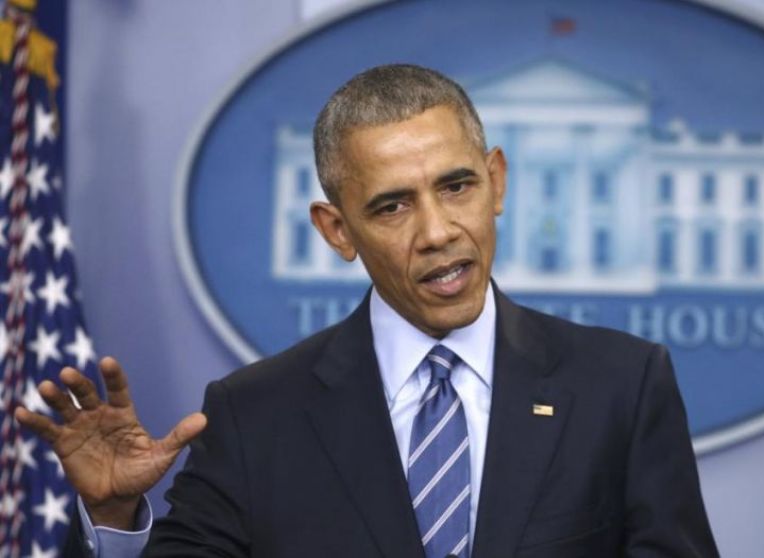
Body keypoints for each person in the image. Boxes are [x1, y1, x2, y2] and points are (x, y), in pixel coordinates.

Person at [16, 64, 718, 557]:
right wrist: (111, 516)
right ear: (337, 230)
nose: (438, 230)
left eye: (457, 186)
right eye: (392, 206)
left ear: (496, 181)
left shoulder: (621, 385)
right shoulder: (255, 414)